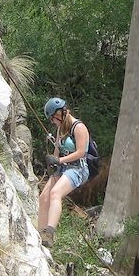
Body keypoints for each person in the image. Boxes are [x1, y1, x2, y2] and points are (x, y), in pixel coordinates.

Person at [37, 97, 91, 248]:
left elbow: (81, 152)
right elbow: (57, 151)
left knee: (55, 193)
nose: (53, 122)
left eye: (53, 119)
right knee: (44, 197)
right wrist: (53, 160)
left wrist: (59, 161)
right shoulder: (61, 129)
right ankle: (40, 232)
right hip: (63, 167)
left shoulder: (78, 127)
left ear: (59, 114)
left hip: (77, 169)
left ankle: (49, 233)